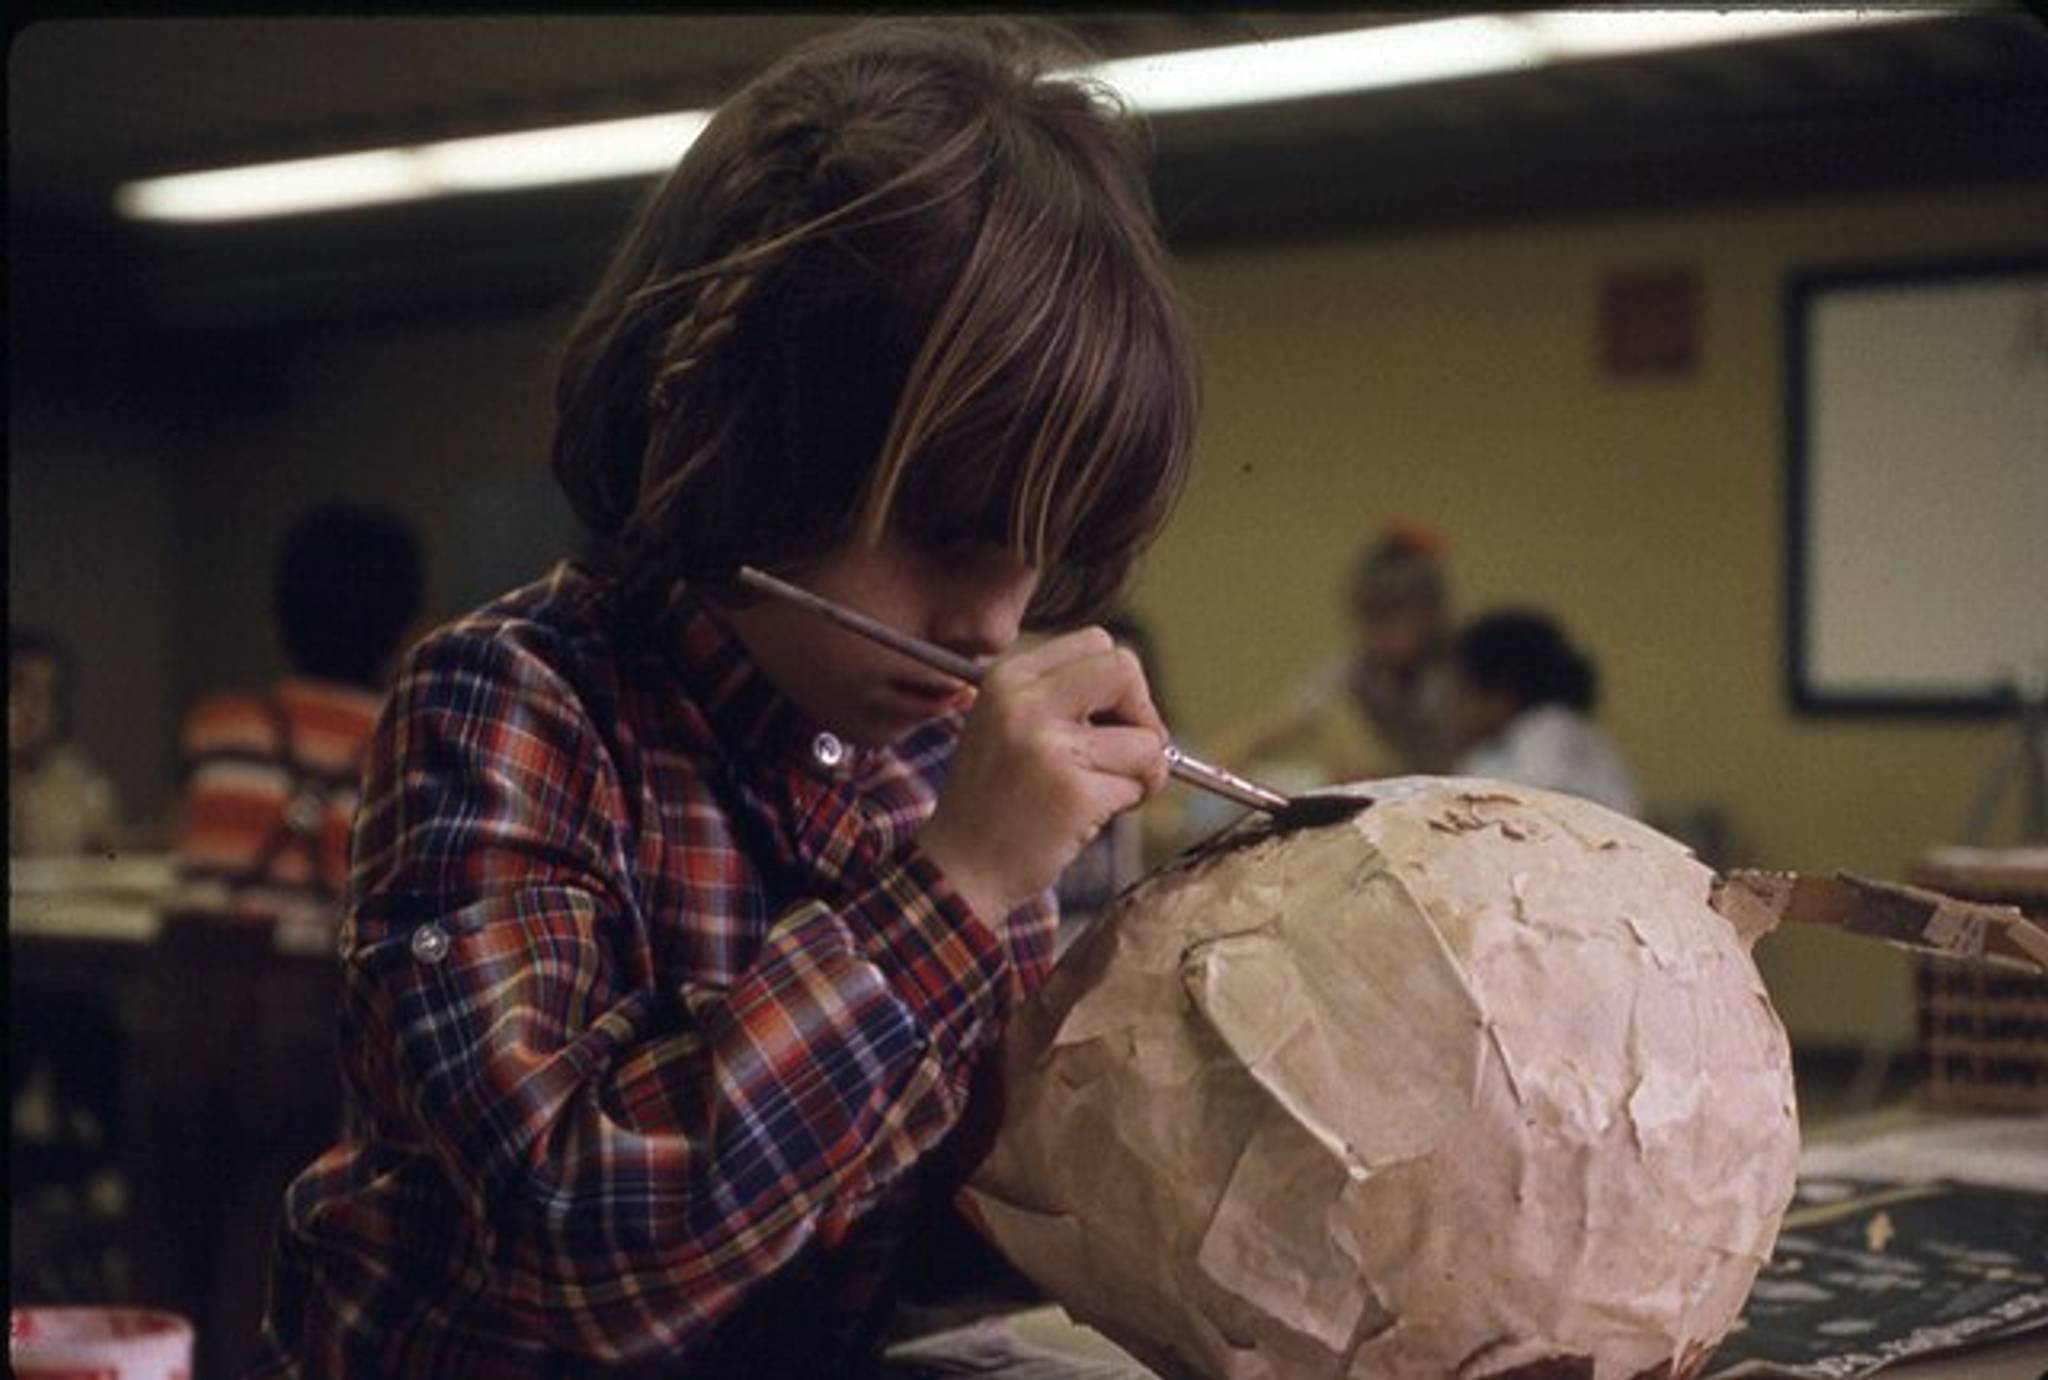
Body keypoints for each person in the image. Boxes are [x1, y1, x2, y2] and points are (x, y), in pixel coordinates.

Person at [251, 19, 1193, 1380]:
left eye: (1039, 548)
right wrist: (955, 891)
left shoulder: (935, 770)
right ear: (740, 446)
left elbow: (921, 1242)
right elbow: (570, 1241)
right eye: (945, 530)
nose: (994, 620)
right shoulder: (507, 705)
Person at [129, 503, 423, 1380]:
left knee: (162, 1233)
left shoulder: (219, 724)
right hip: (301, 1014)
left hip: (186, 1002)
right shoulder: (399, 741)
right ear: (404, 626)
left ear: (276, 614)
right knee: (268, 1246)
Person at [1209, 521, 1456, 796]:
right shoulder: (1356, 670)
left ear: (1430, 615)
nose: (1376, 635)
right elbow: (1278, 724)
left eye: (1390, 619)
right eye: (1368, 620)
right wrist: (1216, 767)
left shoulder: (1462, 675)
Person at [1449, 609, 1642, 817]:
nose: (1453, 705)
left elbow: (1539, 812)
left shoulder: (1549, 732)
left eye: (1461, 689)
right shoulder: (1502, 748)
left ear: (1501, 694)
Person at [9, 628, 120, 856]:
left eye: (44, 694)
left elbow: (110, 855)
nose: (30, 707)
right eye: (18, 688)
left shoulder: (77, 783)